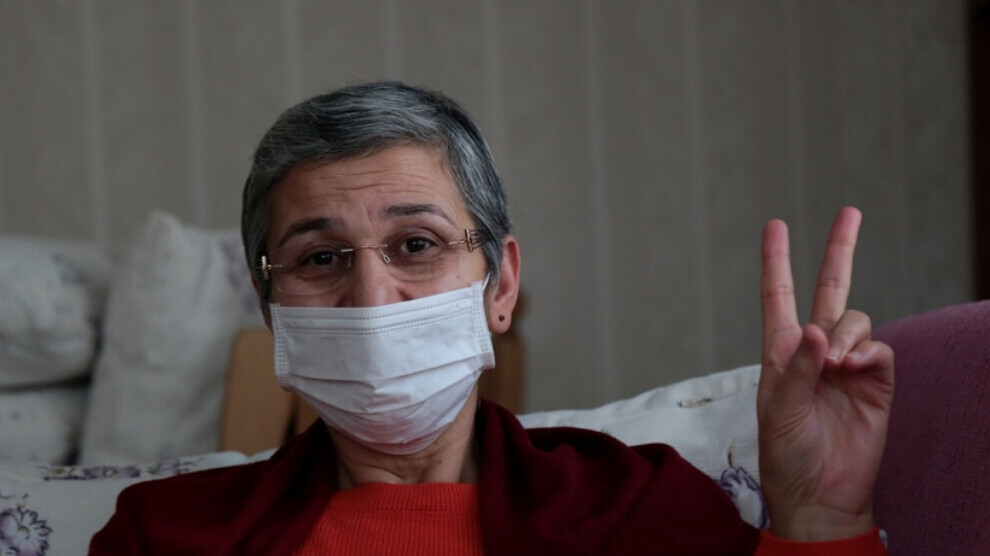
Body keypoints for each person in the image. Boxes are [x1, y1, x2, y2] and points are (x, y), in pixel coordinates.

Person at [90, 81, 894, 554]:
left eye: (416, 244)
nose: (372, 298)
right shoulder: (164, 537)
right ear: (271, 306)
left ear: (500, 284)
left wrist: (820, 515)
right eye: (320, 258)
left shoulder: (636, 510)